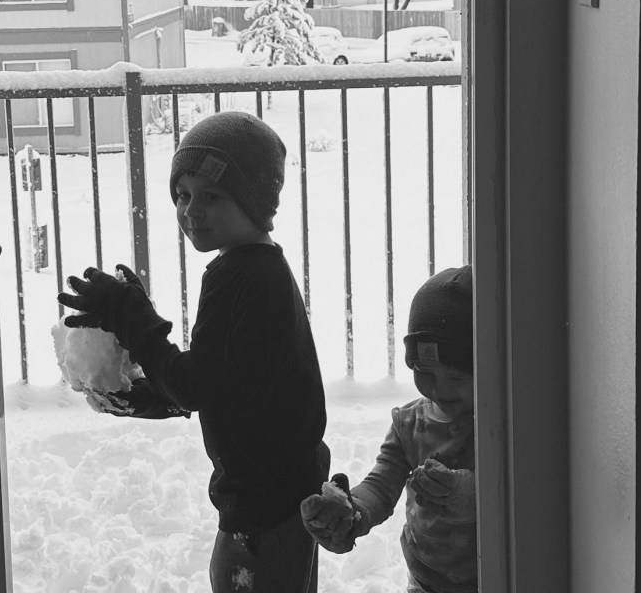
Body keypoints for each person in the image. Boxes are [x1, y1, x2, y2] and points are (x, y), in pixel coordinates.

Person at [58, 110, 330, 593]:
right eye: (183, 195)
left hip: (266, 509)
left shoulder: (249, 278)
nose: (191, 210)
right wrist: (150, 393)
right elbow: (230, 383)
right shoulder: (250, 270)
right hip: (277, 494)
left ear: (255, 201)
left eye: (212, 196)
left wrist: (132, 317)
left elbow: (200, 385)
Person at [301, 265, 476, 593]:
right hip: (424, 580)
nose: (439, 389)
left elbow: (515, 489)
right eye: (424, 371)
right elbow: (381, 486)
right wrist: (352, 512)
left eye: (456, 376)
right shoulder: (409, 425)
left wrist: (467, 493)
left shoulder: (497, 422)